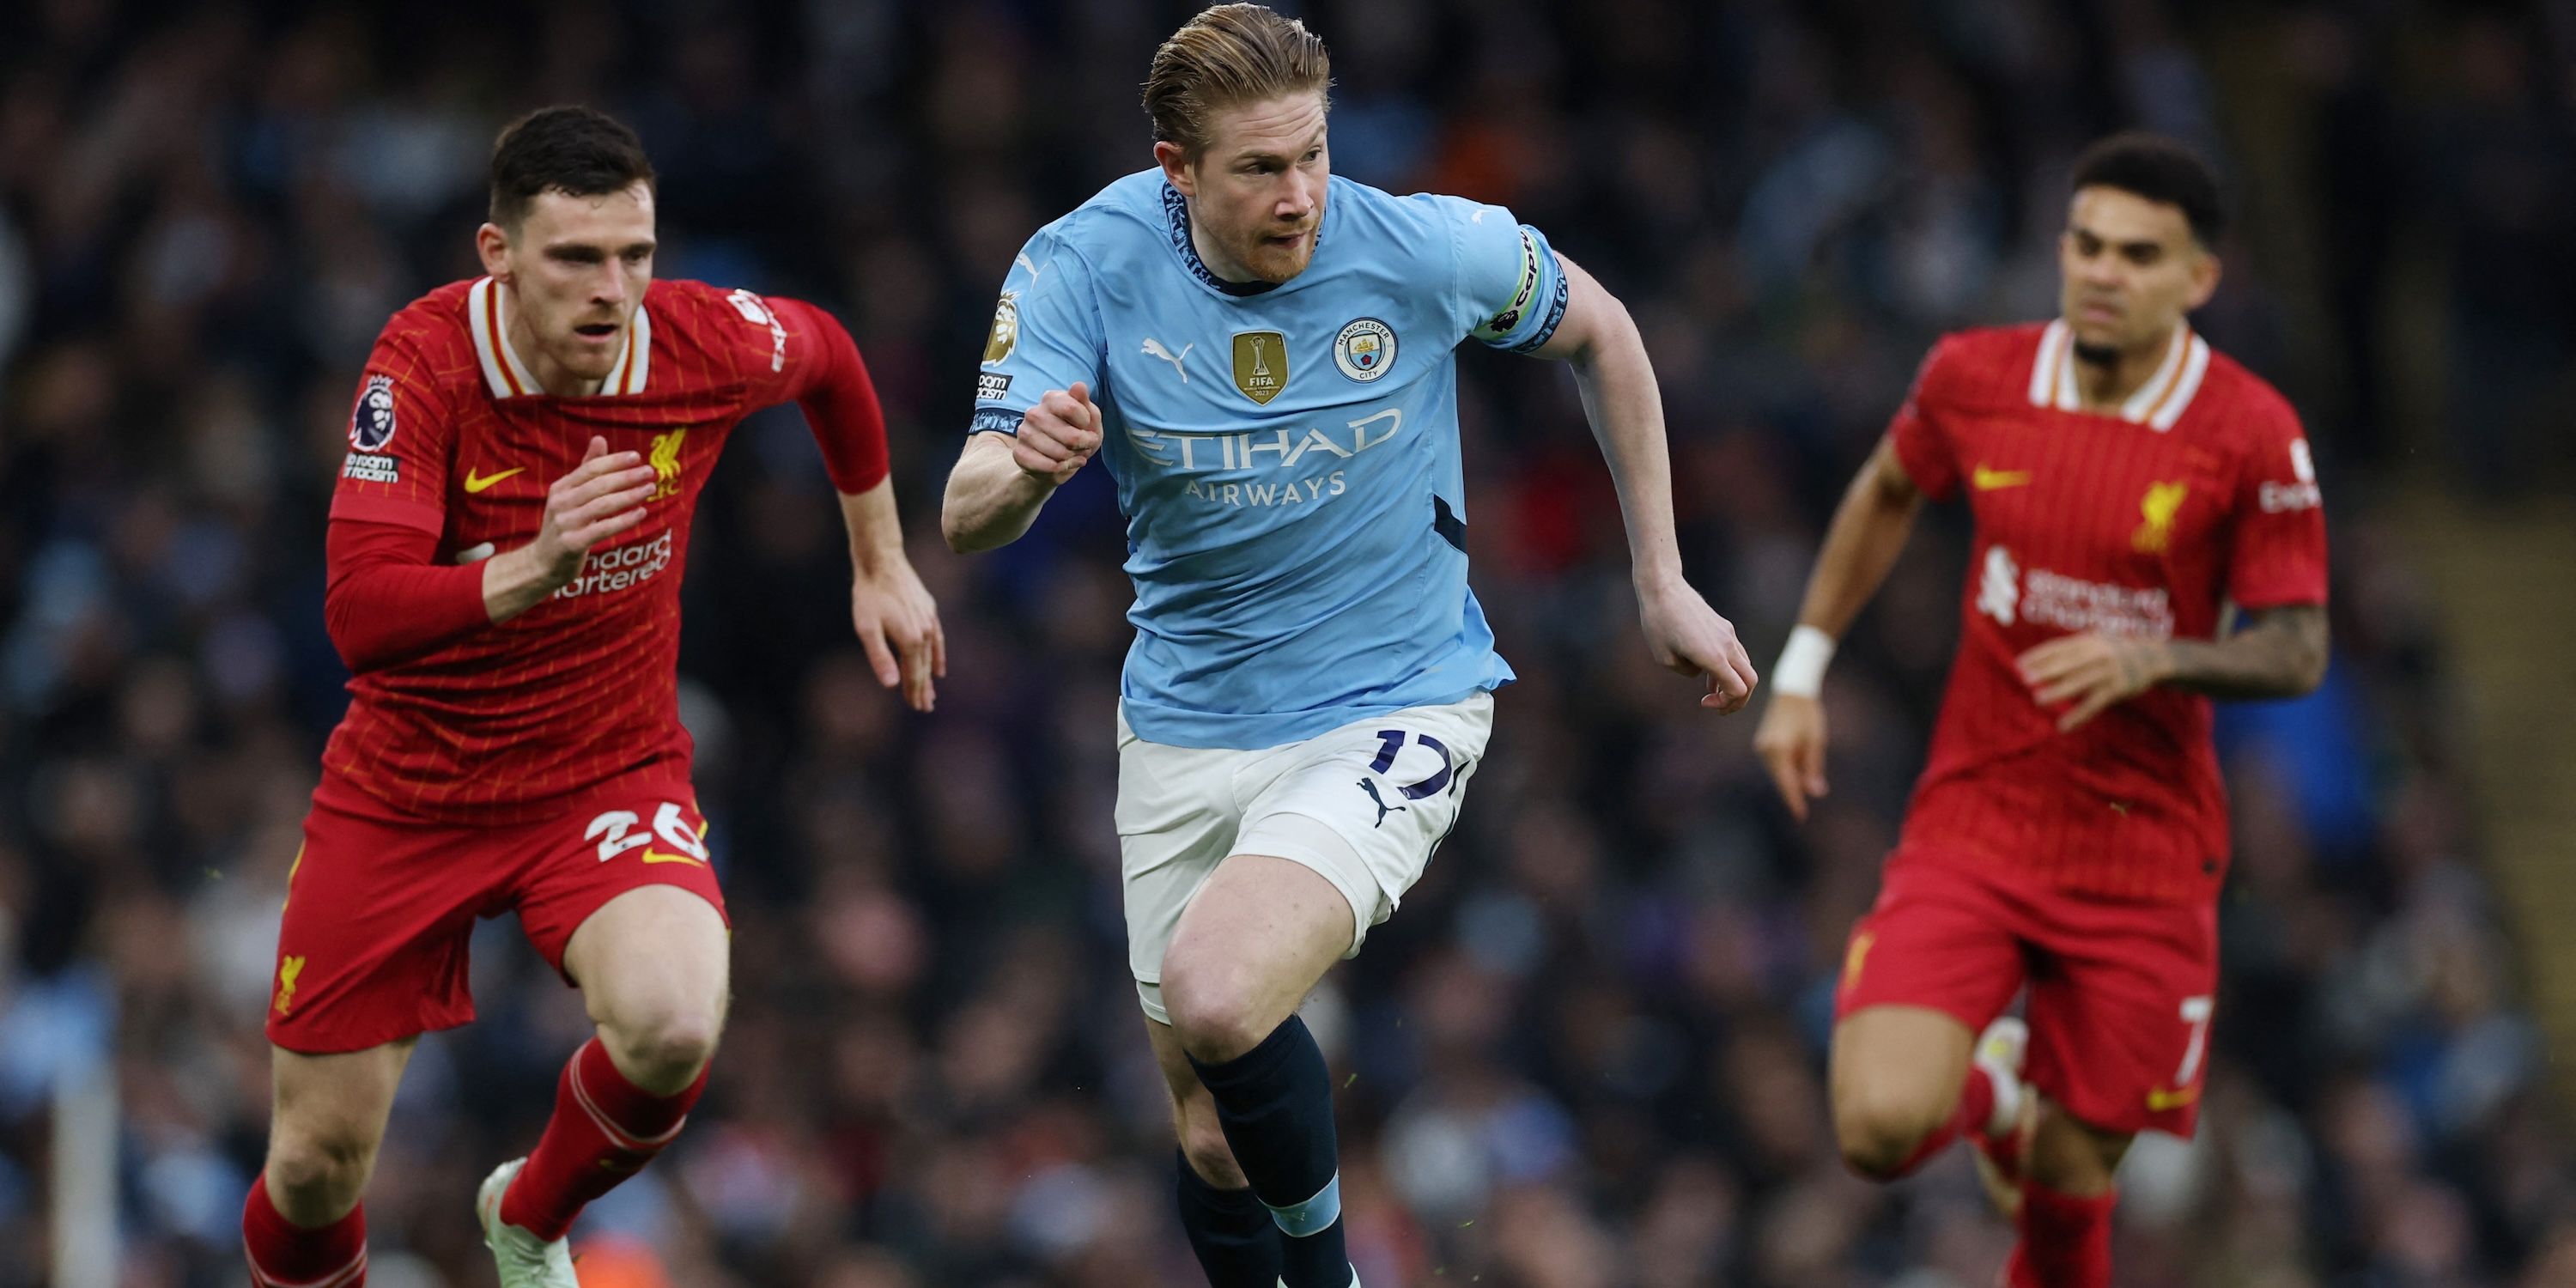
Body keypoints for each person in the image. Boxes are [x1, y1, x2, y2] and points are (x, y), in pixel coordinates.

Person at [940, 7, 1755, 1286]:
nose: (1301, 193)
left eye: (1312, 153)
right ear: (1177, 168)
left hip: (1398, 700)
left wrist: (1662, 581)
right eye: (1261, 168)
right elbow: (965, 508)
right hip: (1184, 724)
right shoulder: (1077, 265)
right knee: (1213, 1135)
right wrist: (1026, 471)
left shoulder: (1421, 247)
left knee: (1217, 994)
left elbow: (1606, 332)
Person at [243, 106, 944, 1288]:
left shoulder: (695, 341)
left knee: (674, 1025)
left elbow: (826, 354)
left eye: (636, 254)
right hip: (410, 793)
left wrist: (880, 561)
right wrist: (532, 566)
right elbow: (359, 615)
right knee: (315, 1168)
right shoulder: (419, 368)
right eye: (576, 257)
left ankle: (526, 1216)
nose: (614, 289)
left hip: (603, 774)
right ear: (498, 253)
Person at [1752, 132, 2330, 1288]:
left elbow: (2299, 647)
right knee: (1875, 1129)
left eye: (2138, 253)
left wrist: (2157, 660)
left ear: (2197, 278)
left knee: (2072, 1185)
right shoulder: (1977, 374)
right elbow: (1885, 492)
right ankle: (1996, 1084)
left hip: (2145, 852)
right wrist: (1802, 670)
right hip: (1980, 818)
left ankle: (2032, 1115)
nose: (2103, 270)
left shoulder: (2251, 431)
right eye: (2085, 243)